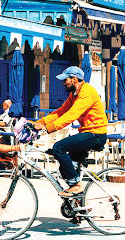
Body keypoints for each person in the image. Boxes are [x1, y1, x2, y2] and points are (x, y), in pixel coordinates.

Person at [33, 66, 107, 197]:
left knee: (59, 147)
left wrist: (49, 128)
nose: (63, 83)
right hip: (87, 133)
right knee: (64, 166)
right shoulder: (74, 95)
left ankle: (77, 186)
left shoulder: (86, 92)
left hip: (95, 134)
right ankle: (79, 205)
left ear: (74, 79)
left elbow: (72, 115)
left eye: (65, 80)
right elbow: (60, 112)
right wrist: (41, 122)